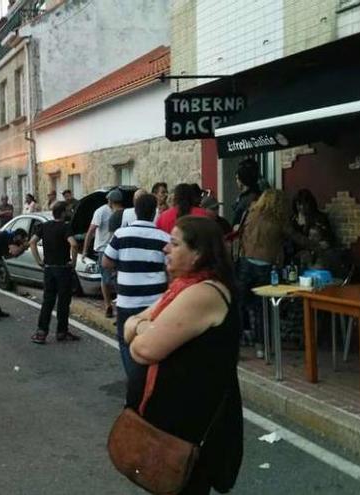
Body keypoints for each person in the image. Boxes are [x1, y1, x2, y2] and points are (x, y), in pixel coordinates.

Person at [123, 216, 243, 494]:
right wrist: (144, 326)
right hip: (174, 427)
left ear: (198, 253)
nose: (165, 249)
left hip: (188, 429)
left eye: (175, 243)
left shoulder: (204, 293)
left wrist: (142, 327)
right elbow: (131, 324)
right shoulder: (182, 289)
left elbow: (142, 349)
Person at [103, 193, 169, 380]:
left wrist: (123, 265)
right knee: (154, 342)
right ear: (154, 212)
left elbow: (107, 262)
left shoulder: (121, 234)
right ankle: (151, 380)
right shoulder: (164, 237)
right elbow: (169, 268)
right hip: (155, 303)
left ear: (135, 211)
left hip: (127, 302)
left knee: (126, 341)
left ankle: (135, 381)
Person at [236, 189, 292, 357]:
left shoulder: (250, 214)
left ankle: (236, 345)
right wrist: (317, 246)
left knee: (239, 305)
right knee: (263, 309)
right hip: (266, 266)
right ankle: (263, 347)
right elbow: (294, 236)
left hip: (246, 263)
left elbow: (240, 234)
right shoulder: (278, 220)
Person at [29, 201, 80, 344]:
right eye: (68, 210)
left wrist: (38, 260)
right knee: (63, 302)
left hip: (49, 268)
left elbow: (32, 242)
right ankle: (61, 332)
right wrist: (74, 262)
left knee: (48, 301)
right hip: (63, 269)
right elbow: (74, 244)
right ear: (63, 213)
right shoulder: (65, 227)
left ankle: (41, 332)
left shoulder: (44, 226)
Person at [83, 189, 123, 318]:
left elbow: (90, 232)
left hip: (104, 250)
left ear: (110, 200)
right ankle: (117, 305)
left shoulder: (100, 212)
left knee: (105, 279)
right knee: (117, 278)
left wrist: (84, 250)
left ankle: (108, 305)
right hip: (118, 249)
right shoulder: (124, 212)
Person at [231, 158, 261, 231]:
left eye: (237, 178)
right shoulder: (248, 196)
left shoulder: (249, 199)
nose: (236, 181)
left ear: (242, 180)